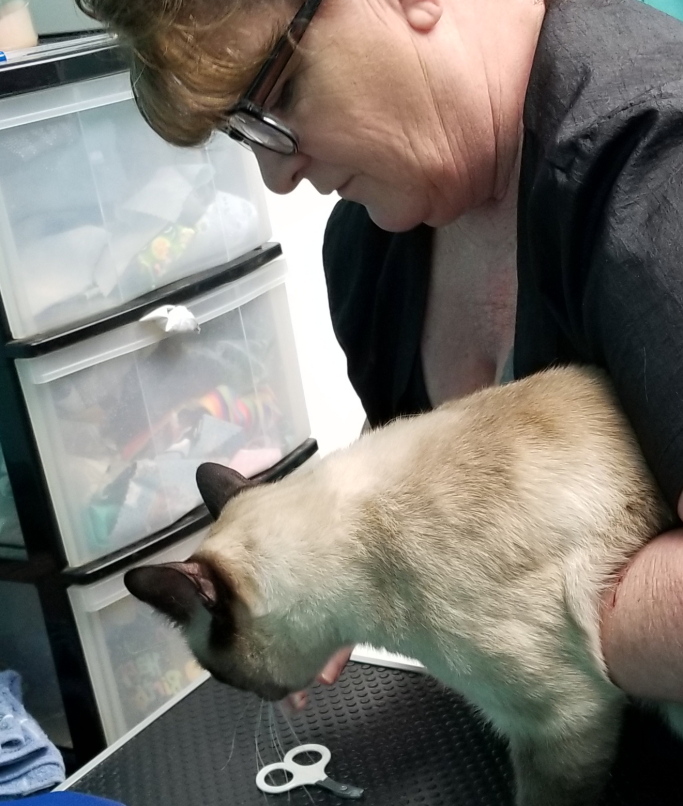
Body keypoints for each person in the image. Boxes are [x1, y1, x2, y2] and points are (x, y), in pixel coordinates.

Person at [79, 0, 683, 704]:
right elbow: (437, 447)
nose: (276, 175)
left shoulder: (655, 166)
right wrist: (328, 564)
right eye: (243, 132)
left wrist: (486, 619)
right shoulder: (369, 248)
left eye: (279, 92)